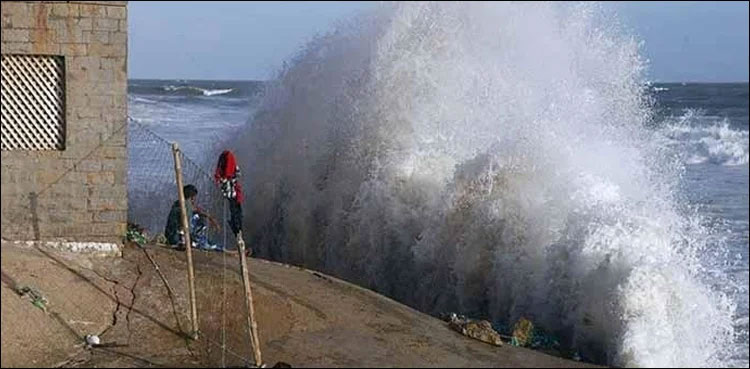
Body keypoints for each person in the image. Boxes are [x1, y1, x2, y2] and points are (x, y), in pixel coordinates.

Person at [164, 184, 222, 251]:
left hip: (172, 235)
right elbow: (183, 225)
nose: (194, 199)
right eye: (194, 197)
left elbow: (198, 211)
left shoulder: (180, 204)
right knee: (198, 220)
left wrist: (210, 218)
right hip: (176, 236)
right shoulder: (186, 205)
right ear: (191, 197)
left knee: (198, 218)